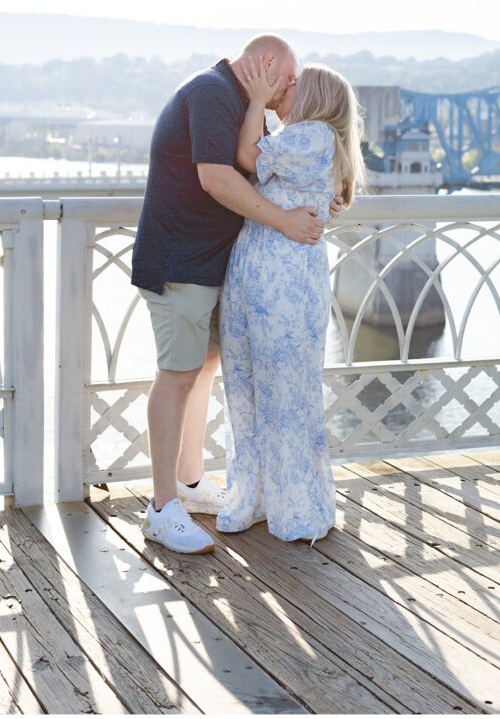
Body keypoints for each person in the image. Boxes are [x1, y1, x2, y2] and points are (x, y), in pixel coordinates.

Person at [131, 35, 344, 554]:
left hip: (215, 265)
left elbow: (261, 170)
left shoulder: (246, 107)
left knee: (202, 368)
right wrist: (288, 222)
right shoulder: (211, 92)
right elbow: (218, 179)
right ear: (265, 63)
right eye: (289, 76)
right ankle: (161, 509)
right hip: (179, 261)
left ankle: (188, 482)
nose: (292, 87)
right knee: (177, 375)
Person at [216, 60, 365, 546]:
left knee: (280, 390)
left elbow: (246, 156)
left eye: (297, 83)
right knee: (251, 385)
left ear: (317, 96)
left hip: (280, 278)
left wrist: (257, 100)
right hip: (261, 271)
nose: (288, 85)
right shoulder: (304, 138)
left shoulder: (314, 136)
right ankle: (262, 496)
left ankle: (291, 505)